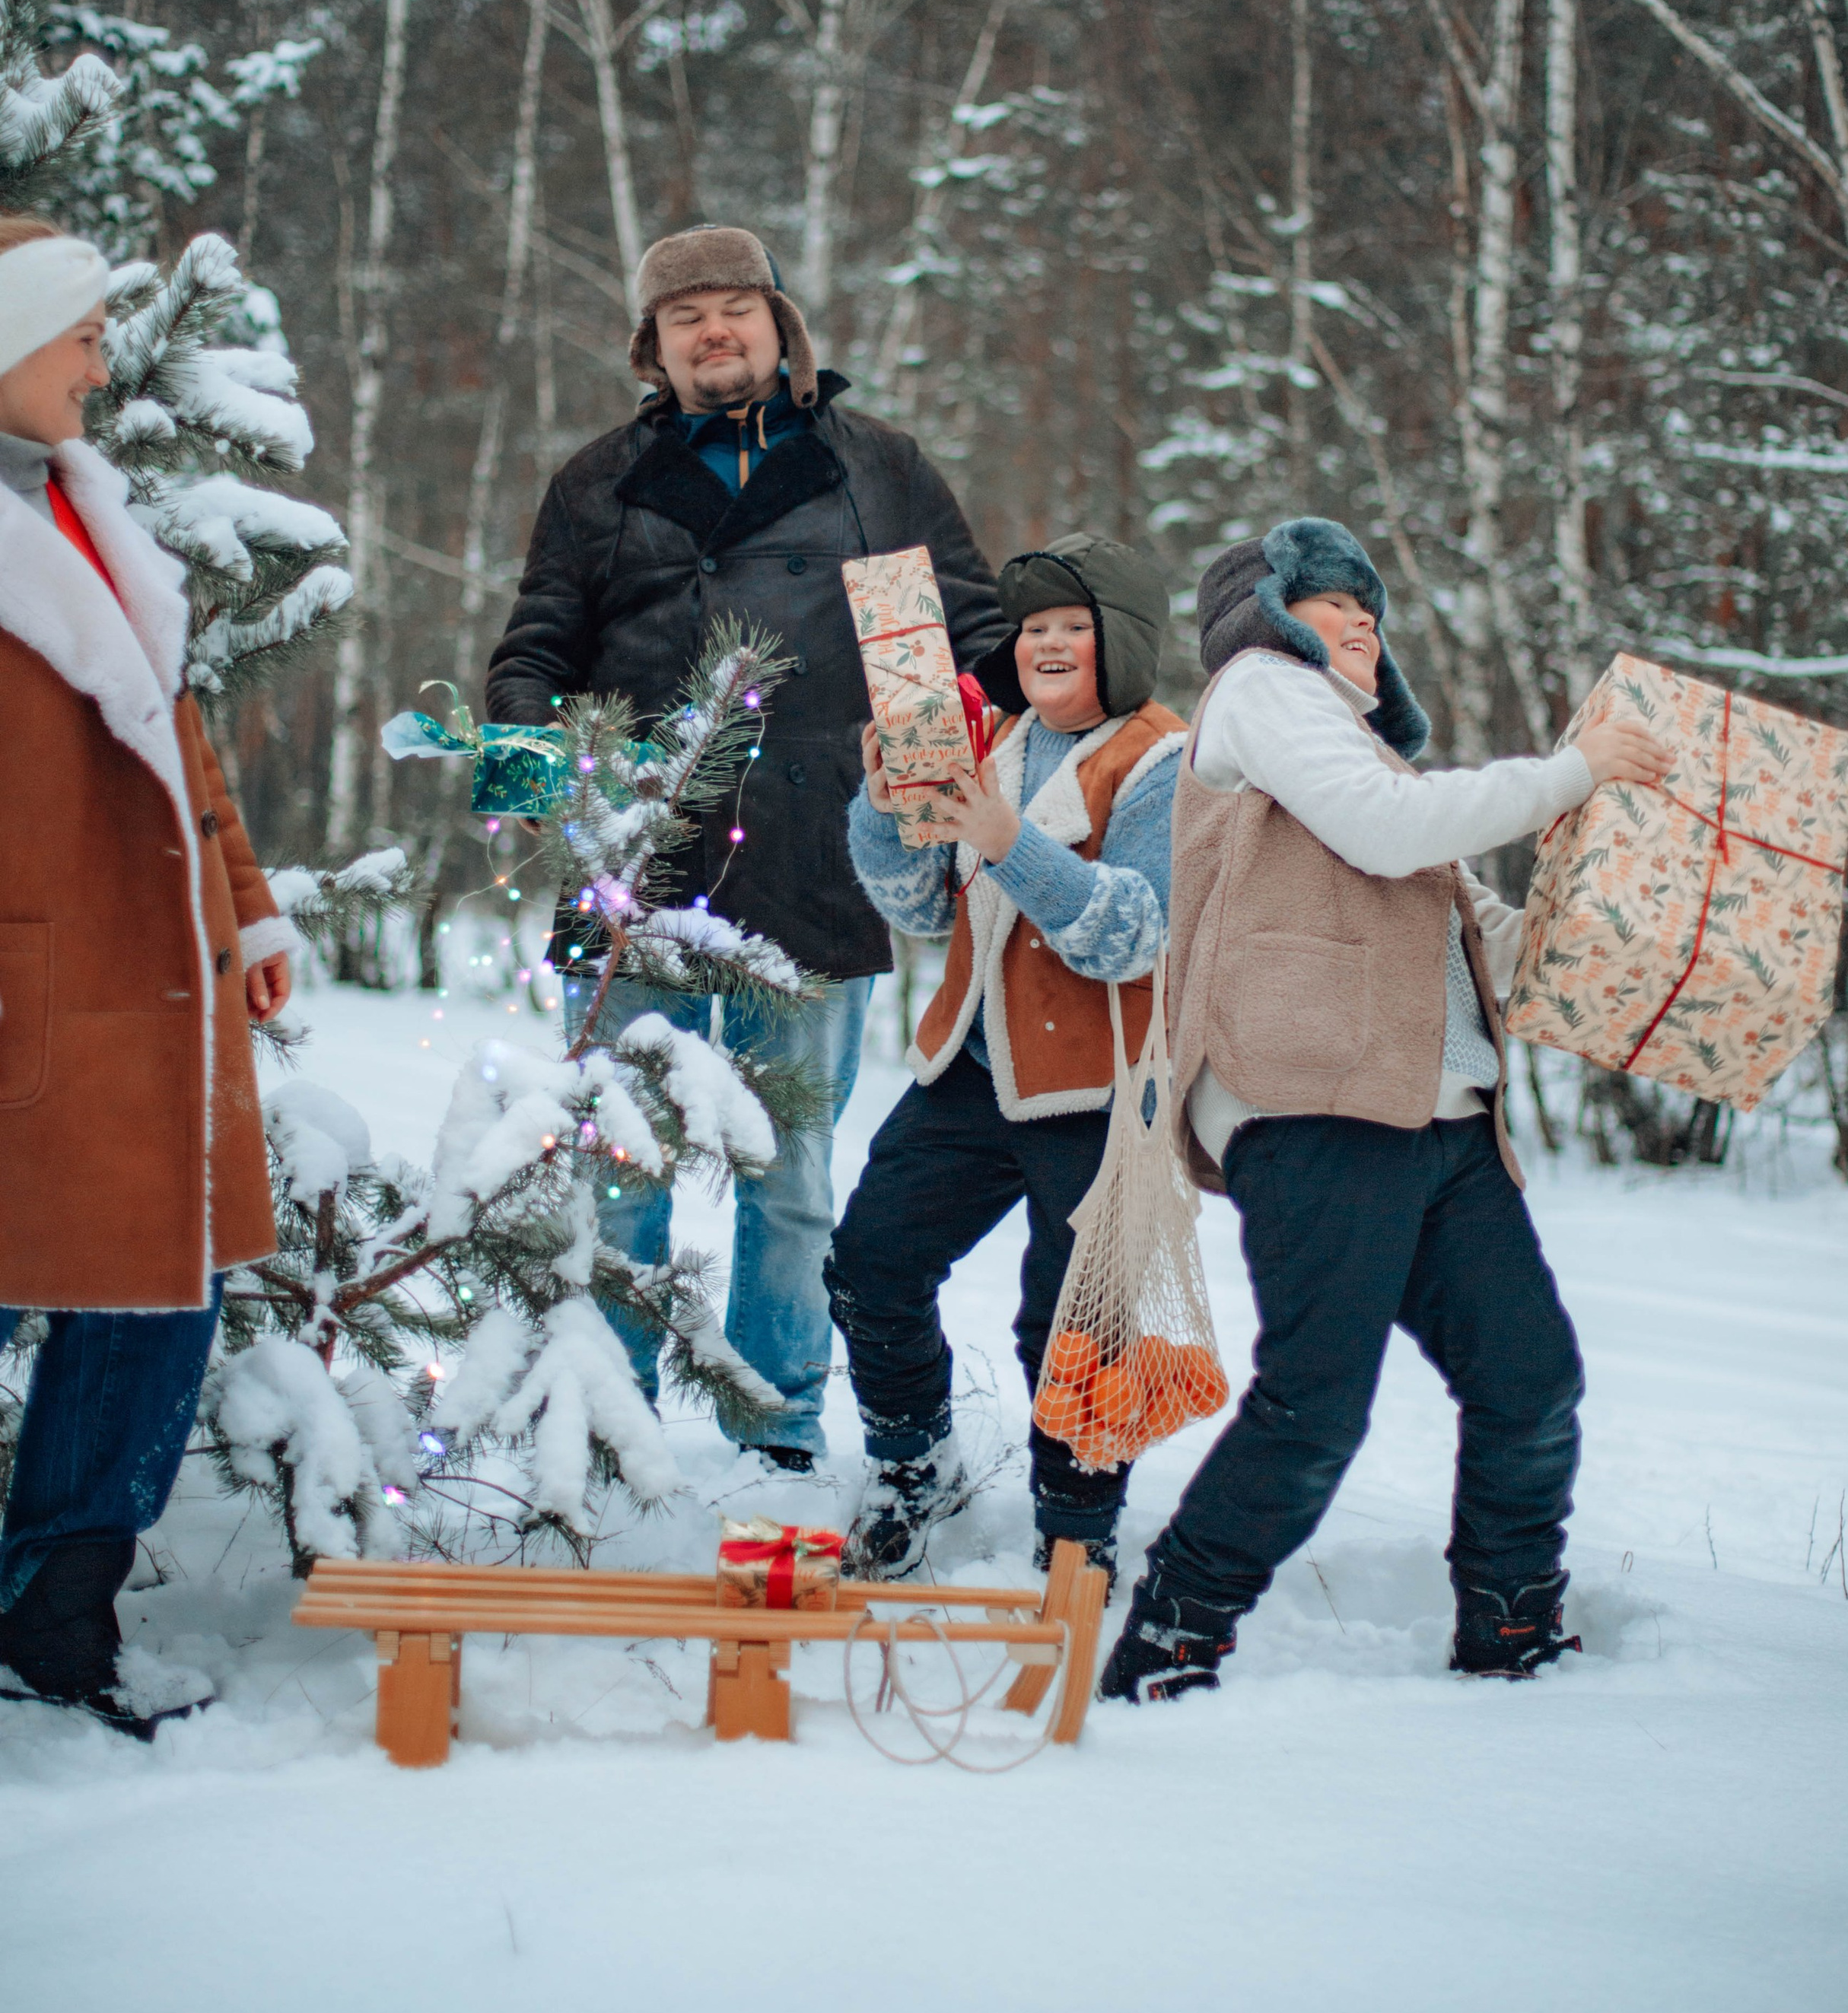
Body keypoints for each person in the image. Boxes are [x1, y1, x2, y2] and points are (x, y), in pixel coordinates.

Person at [1097, 516, 1673, 1705]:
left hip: (1445, 1119)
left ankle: (1512, 1627)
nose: (1362, 618)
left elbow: (1482, 936)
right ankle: (1171, 1637)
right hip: (1318, 1103)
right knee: (1317, 1406)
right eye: (1329, 599)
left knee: (1530, 1381)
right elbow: (1386, 827)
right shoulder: (1261, 691)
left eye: (1372, 609)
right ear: (1264, 615)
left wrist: (1637, 954)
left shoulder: (1369, 765)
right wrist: (1574, 772)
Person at [487, 223, 1016, 1470]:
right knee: (622, 1165)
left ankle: (778, 1425)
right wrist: (527, 771)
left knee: (791, 1176)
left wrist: (1052, 736)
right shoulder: (596, 482)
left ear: (783, 328)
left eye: (737, 309)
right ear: (653, 348)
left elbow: (968, 632)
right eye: (687, 317)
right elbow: (535, 648)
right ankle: (610, 1426)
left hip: (821, 858)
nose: (714, 332)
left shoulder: (876, 469)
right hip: (637, 867)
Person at [0, 214, 295, 1736]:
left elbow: (183, 754)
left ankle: (59, 1620)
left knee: (156, 1301)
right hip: (35, 990)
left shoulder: (90, 515)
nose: (103, 366)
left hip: (150, 988)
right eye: (82, 337)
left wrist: (246, 916)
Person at [826, 536, 1185, 1581]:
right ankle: (912, 1465)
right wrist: (884, 805)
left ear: (1119, 643)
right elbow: (916, 907)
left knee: (1072, 1327)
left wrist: (1004, 839)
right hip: (972, 1072)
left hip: (1098, 1087)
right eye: (1033, 630)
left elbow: (1131, 934)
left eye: (1072, 625)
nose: (1048, 644)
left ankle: (1077, 1527)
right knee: (871, 1267)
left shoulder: (1165, 760)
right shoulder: (992, 743)